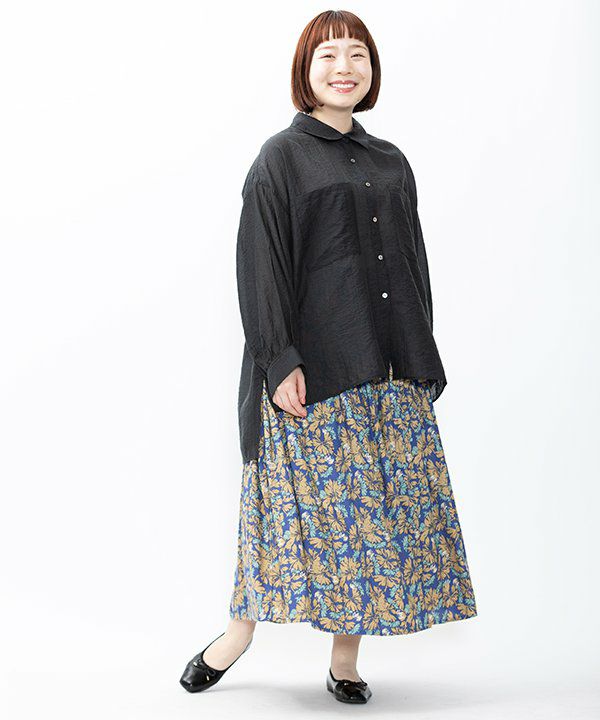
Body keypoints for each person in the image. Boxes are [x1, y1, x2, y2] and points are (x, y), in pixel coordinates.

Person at [180, 9, 477, 704]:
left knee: (371, 522)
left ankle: (345, 662)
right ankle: (235, 639)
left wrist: (420, 351)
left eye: (357, 55)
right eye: (329, 56)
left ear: (371, 70)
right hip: (314, 373)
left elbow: (413, 264)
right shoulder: (280, 159)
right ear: (305, 71)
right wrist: (278, 359)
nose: (345, 68)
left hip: (388, 365)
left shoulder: (390, 161)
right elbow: (260, 264)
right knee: (284, 516)